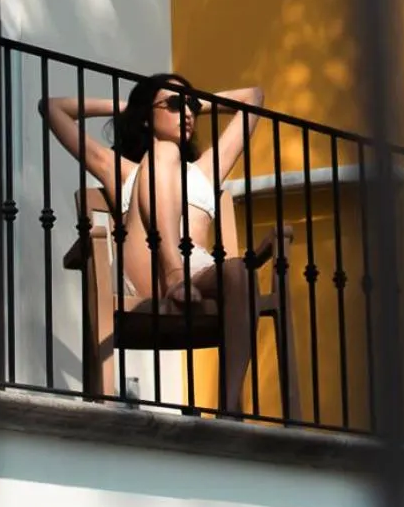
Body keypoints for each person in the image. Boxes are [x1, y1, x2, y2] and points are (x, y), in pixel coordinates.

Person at [40, 73, 264, 409]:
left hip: (197, 272)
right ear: (147, 116)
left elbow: (253, 97)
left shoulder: (206, 169)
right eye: (174, 104)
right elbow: (52, 108)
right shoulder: (121, 170)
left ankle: (230, 409)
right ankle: (173, 272)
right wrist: (130, 106)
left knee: (240, 272)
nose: (186, 113)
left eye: (190, 106)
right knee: (165, 151)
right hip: (148, 271)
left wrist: (187, 103)